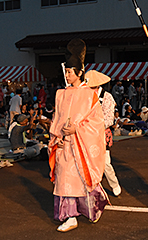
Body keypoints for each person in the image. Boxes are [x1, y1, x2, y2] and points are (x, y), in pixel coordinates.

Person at [48, 39, 108, 232]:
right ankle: (70, 216)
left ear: (79, 72)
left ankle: (93, 209)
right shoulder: (60, 94)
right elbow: (57, 119)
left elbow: (96, 122)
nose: (67, 75)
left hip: (81, 144)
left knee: (82, 180)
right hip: (64, 144)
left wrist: (77, 129)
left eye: (70, 72)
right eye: (66, 71)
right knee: (65, 181)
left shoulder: (89, 94)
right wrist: (57, 137)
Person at [86, 70, 122, 197]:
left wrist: (93, 125)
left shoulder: (107, 97)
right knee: (88, 163)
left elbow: (109, 119)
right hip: (86, 134)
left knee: (105, 163)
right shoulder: (83, 96)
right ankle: (93, 188)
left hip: (101, 133)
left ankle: (114, 184)